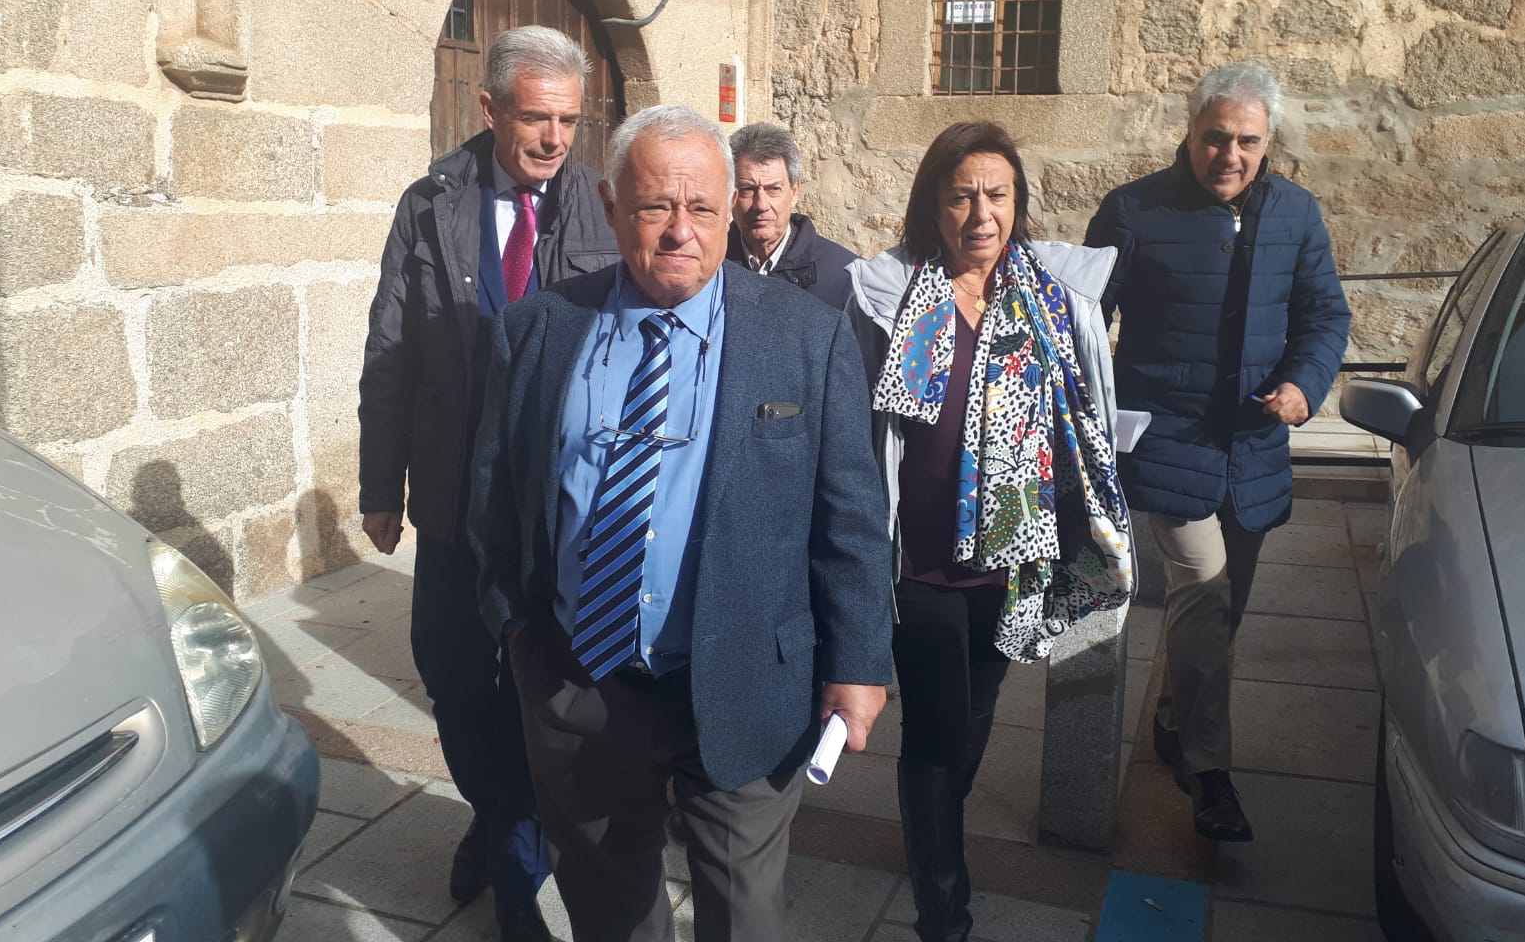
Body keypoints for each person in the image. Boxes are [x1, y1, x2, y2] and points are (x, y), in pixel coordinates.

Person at [466, 104, 893, 942]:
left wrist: (859, 661)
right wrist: (516, 632)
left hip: (744, 680)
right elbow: (494, 497)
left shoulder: (806, 338)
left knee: (746, 920)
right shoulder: (539, 331)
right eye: (655, 206)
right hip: (578, 683)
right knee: (612, 913)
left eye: (701, 208)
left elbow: (851, 517)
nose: (678, 232)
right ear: (609, 203)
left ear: (730, 209)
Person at [357, 25, 618, 941]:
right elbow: (390, 351)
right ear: (489, 108)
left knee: (544, 696)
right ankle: (508, 823)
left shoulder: (602, 201)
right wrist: (378, 485)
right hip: (454, 504)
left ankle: (514, 863)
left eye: (568, 121)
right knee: (458, 681)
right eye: (534, 117)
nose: (553, 139)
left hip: (559, 512)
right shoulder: (431, 203)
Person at [847, 121, 1132, 942]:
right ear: (932, 204)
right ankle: (943, 906)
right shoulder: (891, 296)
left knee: (975, 714)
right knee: (936, 727)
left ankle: (929, 831)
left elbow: (1086, 411)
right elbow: (855, 421)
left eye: (997, 194)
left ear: (1016, 203)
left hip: (1012, 559)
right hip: (920, 560)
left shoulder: (1048, 299)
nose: (980, 212)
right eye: (962, 193)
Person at [1085, 60, 1350, 844]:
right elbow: (1085, 322)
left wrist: (1304, 383)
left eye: (1245, 142)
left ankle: (1174, 717)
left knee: (1223, 609)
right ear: (1188, 131)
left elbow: (1323, 316)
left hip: (1253, 449)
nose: (1228, 156)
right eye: (1214, 138)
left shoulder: (1297, 214)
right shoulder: (1132, 211)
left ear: (1266, 143)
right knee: (1203, 582)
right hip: (1166, 442)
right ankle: (1207, 772)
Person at [727, 121, 857, 308]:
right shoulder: (708, 267)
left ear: (794, 192)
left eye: (773, 189)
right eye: (748, 189)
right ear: (730, 196)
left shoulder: (843, 277)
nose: (761, 205)